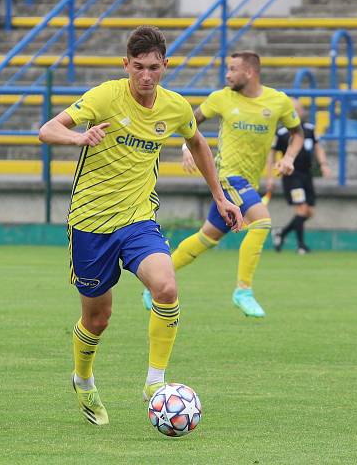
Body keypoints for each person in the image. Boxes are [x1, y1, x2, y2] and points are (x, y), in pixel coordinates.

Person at [38, 26, 243, 426]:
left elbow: (198, 142)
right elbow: (47, 129)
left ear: (165, 65)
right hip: (91, 223)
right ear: (126, 65)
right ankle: (82, 378)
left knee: (165, 287)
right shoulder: (105, 96)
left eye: (153, 67)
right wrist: (80, 139)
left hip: (138, 220)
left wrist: (219, 196)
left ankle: (155, 382)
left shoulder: (176, 108)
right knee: (98, 318)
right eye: (138, 68)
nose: (146, 76)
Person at [143, 51, 303, 318]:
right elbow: (188, 122)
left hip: (247, 181)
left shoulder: (278, 101)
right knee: (262, 222)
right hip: (227, 176)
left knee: (206, 238)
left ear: (250, 72)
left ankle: (154, 283)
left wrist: (289, 157)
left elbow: (297, 134)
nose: (227, 75)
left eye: (232, 69)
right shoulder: (220, 98)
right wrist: (185, 146)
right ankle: (243, 290)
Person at [267, 98, 332, 254]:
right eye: (293, 110)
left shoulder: (309, 129)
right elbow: (271, 154)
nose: (297, 113)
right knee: (301, 209)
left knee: (309, 211)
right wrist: (270, 177)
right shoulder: (282, 133)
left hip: (306, 174)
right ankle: (301, 245)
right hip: (291, 175)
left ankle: (281, 233)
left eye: (299, 110)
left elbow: (318, 148)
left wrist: (324, 165)